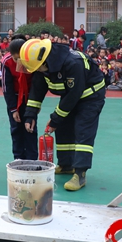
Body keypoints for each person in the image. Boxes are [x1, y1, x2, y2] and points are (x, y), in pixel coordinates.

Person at [20, 39, 106, 191]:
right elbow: (37, 90)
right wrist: (30, 115)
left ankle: (80, 174)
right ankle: (66, 165)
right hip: (70, 96)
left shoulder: (73, 63)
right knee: (63, 128)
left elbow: (74, 95)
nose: (37, 71)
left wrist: (54, 119)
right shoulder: (43, 65)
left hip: (90, 97)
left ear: (45, 60)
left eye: (38, 68)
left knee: (83, 132)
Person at [2, 36, 36, 160]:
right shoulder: (7, 62)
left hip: (30, 98)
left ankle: (32, 158)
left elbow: (36, 85)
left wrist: (33, 107)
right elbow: (7, 88)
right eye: (15, 59)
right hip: (15, 99)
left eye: (20, 58)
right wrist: (13, 109)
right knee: (16, 128)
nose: (18, 61)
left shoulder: (32, 61)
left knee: (31, 127)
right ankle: (18, 157)